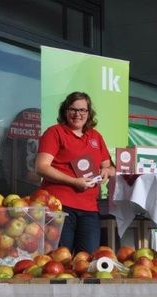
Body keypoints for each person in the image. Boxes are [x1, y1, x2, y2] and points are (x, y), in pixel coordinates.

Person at [35, 91, 115, 254]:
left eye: (82, 110)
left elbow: (111, 167)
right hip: (59, 207)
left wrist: (107, 170)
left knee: (87, 262)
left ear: (88, 113)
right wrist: (74, 181)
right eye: (73, 109)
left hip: (90, 208)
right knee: (59, 261)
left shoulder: (96, 137)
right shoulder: (55, 132)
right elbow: (41, 167)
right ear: (65, 111)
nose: (78, 114)